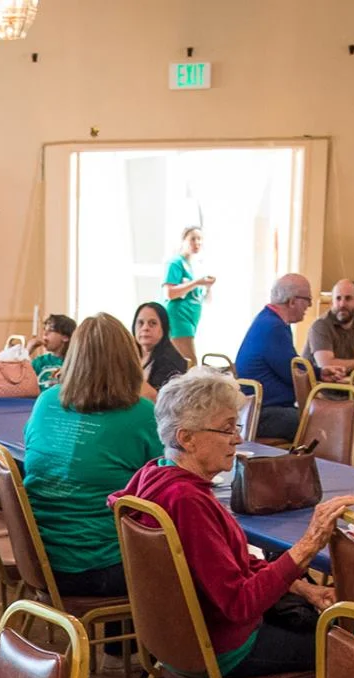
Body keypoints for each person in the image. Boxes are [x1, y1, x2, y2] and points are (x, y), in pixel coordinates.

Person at [119, 371, 354, 678]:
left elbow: (234, 568)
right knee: (344, 649)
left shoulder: (153, 478)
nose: (237, 438)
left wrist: (303, 588)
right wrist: (307, 546)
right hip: (223, 645)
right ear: (187, 437)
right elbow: (240, 601)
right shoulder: (189, 503)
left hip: (177, 642)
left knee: (321, 622)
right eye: (227, 428)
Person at [23, 313, 165, 600]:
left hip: (39, 558)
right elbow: (167, 482)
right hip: (99, 567)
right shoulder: (141, 414)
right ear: (128, 358)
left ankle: (119, 643)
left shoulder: (46, 402)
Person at [233, 274, 314, 436]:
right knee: (321, 421)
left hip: (256, 410)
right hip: (263, 415)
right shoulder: (274, 326)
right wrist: (321, 374)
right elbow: (294, 373)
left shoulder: (267, 319)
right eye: (307, 300)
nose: (310, 305)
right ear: (292, 302)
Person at [163, 227, 215, 363]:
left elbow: (204, 299)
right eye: (192, 239)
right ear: (183, 241)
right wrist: (197, 282)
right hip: (179, 317)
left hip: (192, 319)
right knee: (190, 361)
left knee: (184, 361)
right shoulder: (175, 263)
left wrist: (208, 287)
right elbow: (170, 293)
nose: (196, 242)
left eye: (199, 239)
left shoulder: (195, 266)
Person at [134, 301, 190, 399]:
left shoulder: (171, 362)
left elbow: (159, 401)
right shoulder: (130, 355)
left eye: (153, 323)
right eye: (140, 323)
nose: (145, 328)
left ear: (164, 328)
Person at [32, 313, 75, 389]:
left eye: (50, 330)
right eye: (44, 329)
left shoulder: (74, 362)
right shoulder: (39, 361)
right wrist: (28, 350)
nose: (45, 333)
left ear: (65, 337)